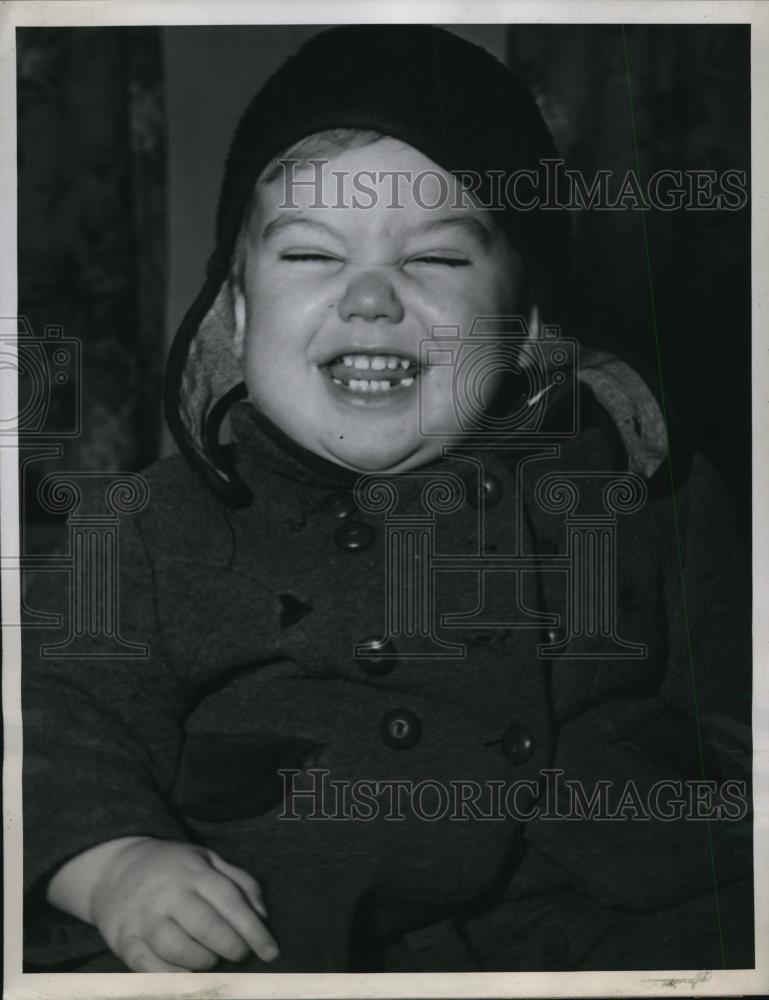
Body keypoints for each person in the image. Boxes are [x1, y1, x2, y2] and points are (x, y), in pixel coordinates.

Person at [22, 25, 753, 974]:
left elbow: (732, 686)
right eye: (312, 257)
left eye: (437, 261)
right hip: (285, 932)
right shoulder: (151, 531)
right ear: (233, 320)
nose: (371, 299)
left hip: (622, 917)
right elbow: (48, 713)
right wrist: (111, 863)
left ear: (524, 328)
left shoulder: (641, 491)